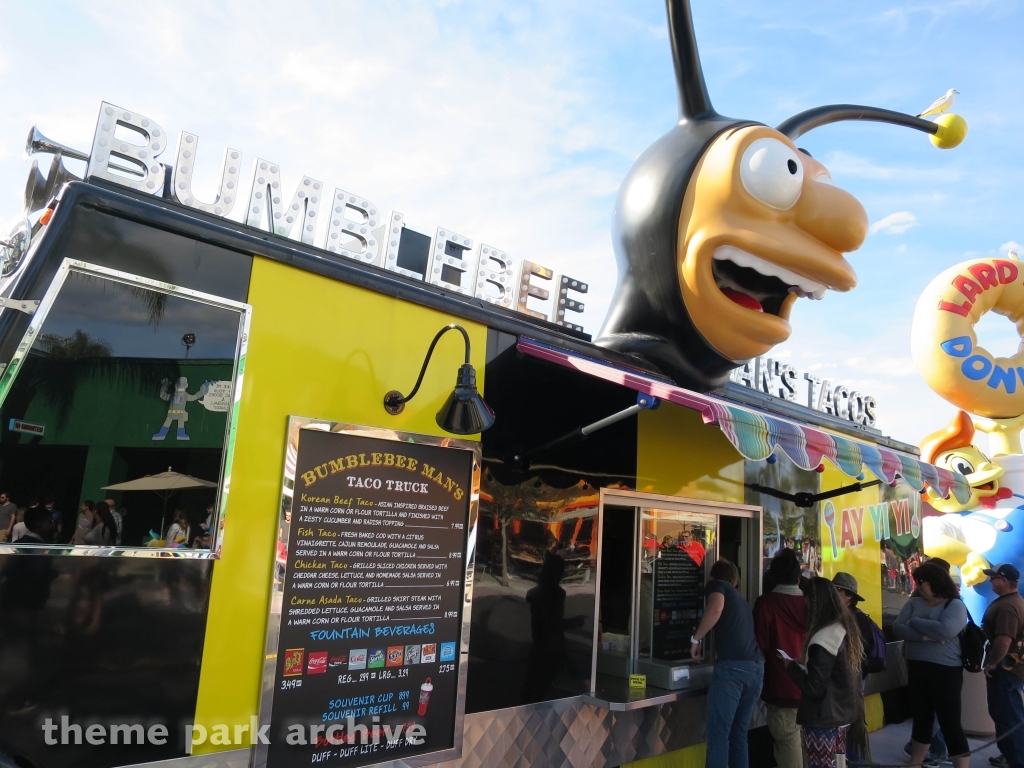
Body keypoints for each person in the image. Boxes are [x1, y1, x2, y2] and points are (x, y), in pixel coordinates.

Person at [892, 562, 969, 768]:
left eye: (922, 582)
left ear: (935, 582)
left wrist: (915, 622)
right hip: (917, 666)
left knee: (950, 721)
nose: (918, 587)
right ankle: (915, 762)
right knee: (921, 717)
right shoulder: (913, 603)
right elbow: (898, 628)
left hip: (946, 670)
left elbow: (946, 630)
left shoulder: (955, 605)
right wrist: (926, 637)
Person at [691, 559, 764, 768]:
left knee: (718, 736)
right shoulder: (741, 600)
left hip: (732, 669)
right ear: (736, 580)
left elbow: (715, 609)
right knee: (738, 735)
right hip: (756, 669)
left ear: (713, 577)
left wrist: (696, 639)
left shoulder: (718, 585)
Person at [784, 577, 862, 768]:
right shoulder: (844, 626)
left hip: (823, 719)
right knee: (838, 764)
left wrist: (791, 667)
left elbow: (814, 688)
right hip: (843, 715)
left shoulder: (822, 639)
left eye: (807, 600)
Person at [753, 548, 808, 768]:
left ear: (773, 577)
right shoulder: (811, 604)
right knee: (806, 745)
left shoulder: (766, 604)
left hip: (781, 687)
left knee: (787, 744)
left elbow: (760, 646)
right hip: (812, 686)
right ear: (798, 578)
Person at [981, 564, 1024, 768]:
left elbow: (1004, 640)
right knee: (1003, 715)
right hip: (1009, 669)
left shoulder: (1008, 606)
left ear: (1005, 581)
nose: (991, 581)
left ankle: (1017, 760)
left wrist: (993, 663)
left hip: (1006, 670)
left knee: (1009, 718)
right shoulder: (1012, 602)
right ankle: (1008, 754)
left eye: (994, 578)